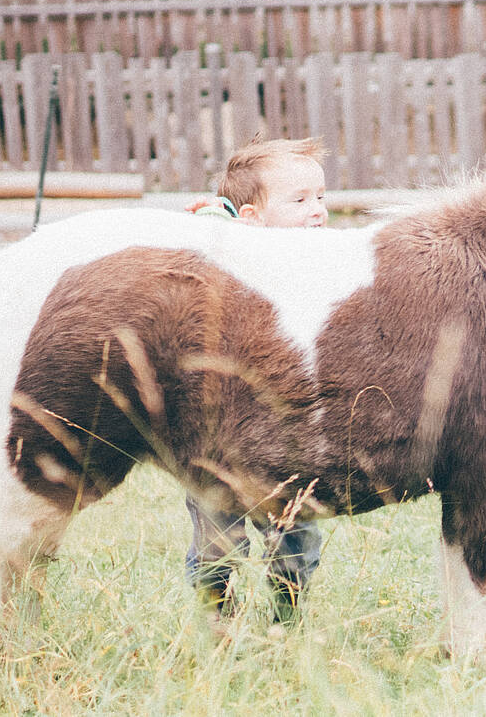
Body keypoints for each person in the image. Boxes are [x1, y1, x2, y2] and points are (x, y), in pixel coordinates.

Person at [184, 136, 329, 619]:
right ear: (250, 219)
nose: (317, 211)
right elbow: (202, 240)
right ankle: (216, 619)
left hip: (291, 440)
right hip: (216, 437)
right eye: (300, 200)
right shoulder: (232, 255)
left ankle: (286, 620)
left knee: (295, 537)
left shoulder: (317, 264)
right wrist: (213, 221)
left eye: (322, 198)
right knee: (215, 540)